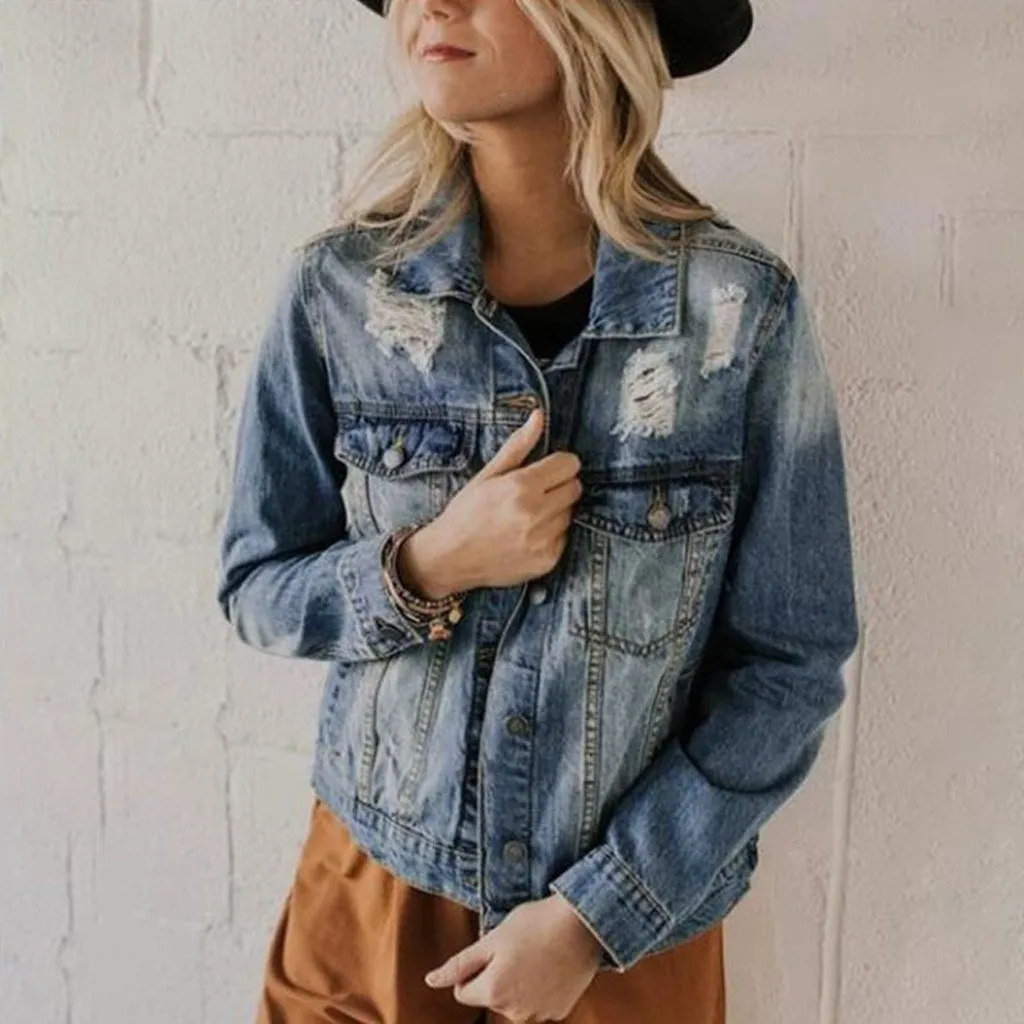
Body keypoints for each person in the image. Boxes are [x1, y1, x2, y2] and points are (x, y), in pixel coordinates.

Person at [215, 0, 860, 1021]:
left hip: (623, 929)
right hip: (376, 897)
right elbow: (256, 586)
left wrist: (594, 916)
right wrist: (426, 565)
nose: (434, 5)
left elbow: (789, 664)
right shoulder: (339, 294)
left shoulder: (739, 316)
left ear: (597, 20)